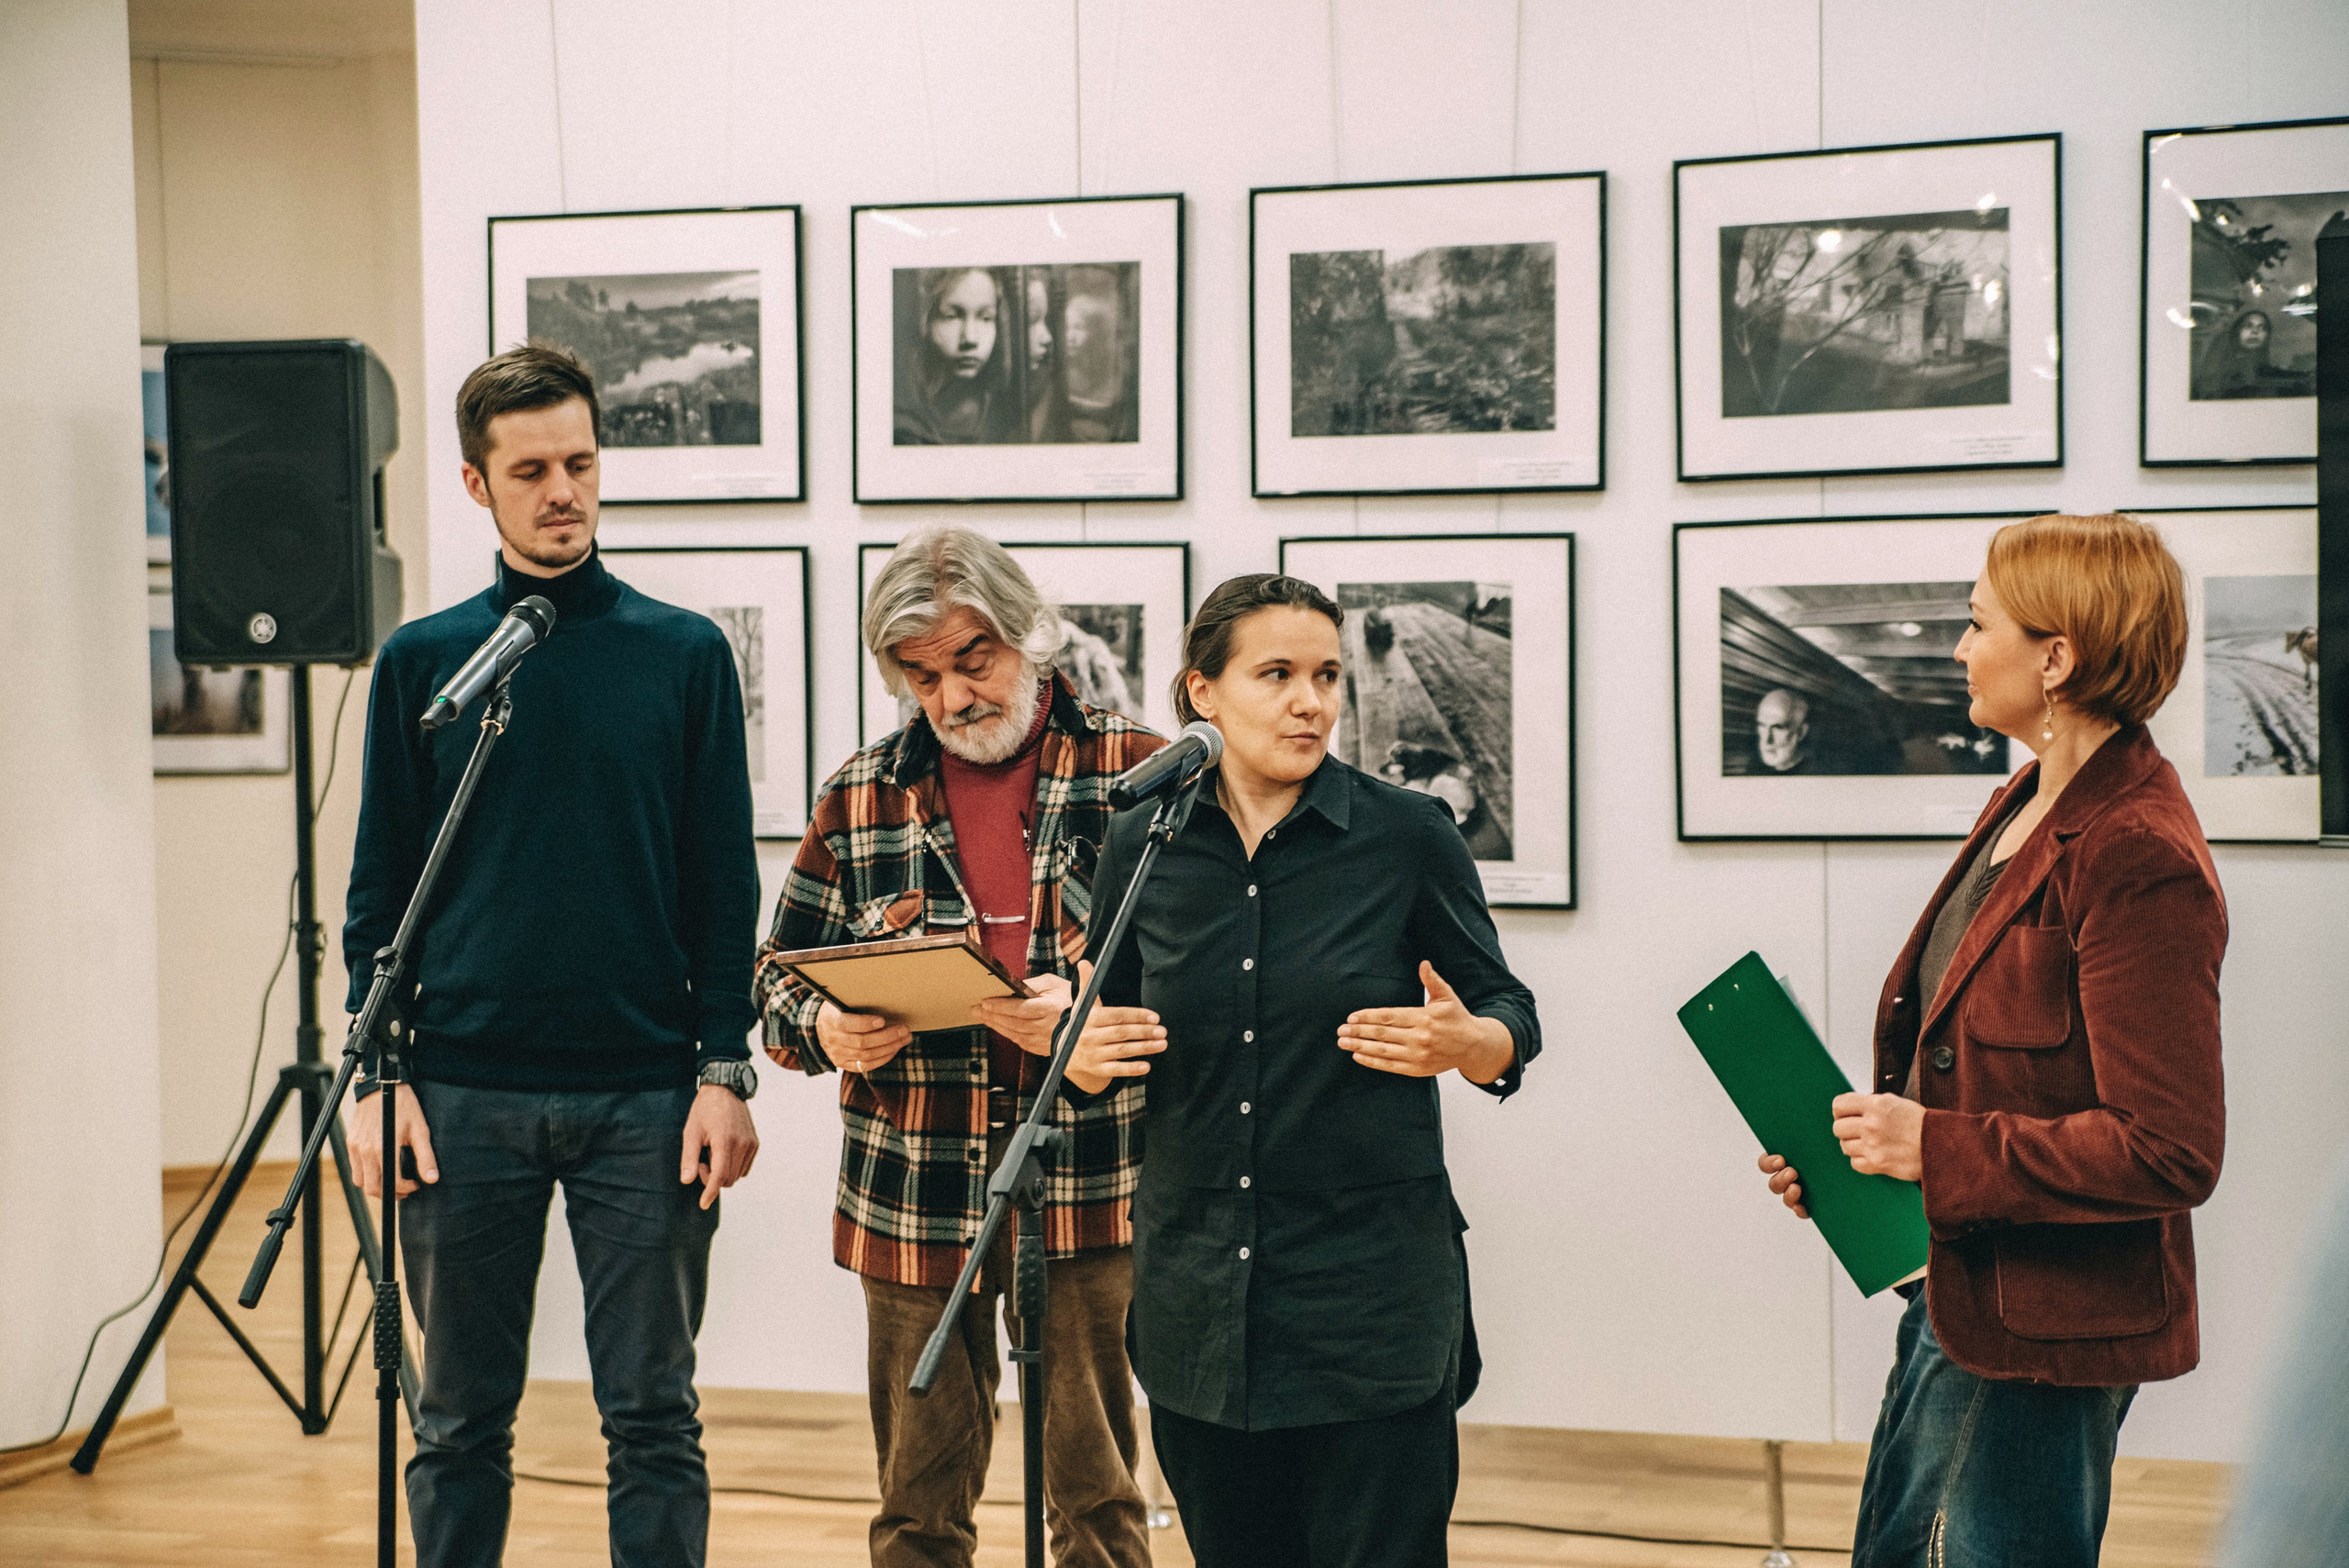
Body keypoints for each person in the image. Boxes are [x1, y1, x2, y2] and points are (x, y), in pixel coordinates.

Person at [343, 343, 762, 1568]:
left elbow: (718, 881)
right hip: (461, 1095)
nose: (563, 490)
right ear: (478, 485)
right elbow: (381, 894)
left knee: (652, 1415)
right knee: (461, 1418)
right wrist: (378, 1079)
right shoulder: (428, 663)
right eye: (530, 470)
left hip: (644, 1092)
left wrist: (723, 1068)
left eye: (580, 461)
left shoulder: (683, 654)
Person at [1758, 513, 2226, 1567]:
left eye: (1977, 625)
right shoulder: (2027, 799)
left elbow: (2170, 1146)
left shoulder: (2137, 851)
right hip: (1959, 1290)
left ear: (2055, 657)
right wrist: (1859, 1159)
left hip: (2045, 1335)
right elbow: (1973, 1068)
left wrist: (1932, 1147)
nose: (1960, 649)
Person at [1062, 573, 1542, 1568]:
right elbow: (1098, 1029)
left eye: (1324, 674)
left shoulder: (1406, 834)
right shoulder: (1139, 842)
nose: (1311, 700)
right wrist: (1083, 1056)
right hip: (1199, 1302)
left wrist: (1467, 1044)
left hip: (1366, 1302)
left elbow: (1509, 1011)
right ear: (1203, 692)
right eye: (1275, 673)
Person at [754, 525, 1163, 1568]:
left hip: (1091, 1180)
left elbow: (1217, 981)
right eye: (920, 675)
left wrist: (1085, 1013)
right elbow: (773, 979)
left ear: (1030, 634)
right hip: (912, 1182)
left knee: (1101, 1506)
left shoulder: (1140, 771)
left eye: (972, 659)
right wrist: (827, 1026)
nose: (950, 697)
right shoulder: (861, 790)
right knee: (915, 1510)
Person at [894, 266, 1015, 445]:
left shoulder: (1005, 412)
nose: (970, 338)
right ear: (926, 320)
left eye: (986, 318)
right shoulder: (902, 420)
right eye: (952, 316)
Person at [1753, 687, 1815, 773]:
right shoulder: (1754, 769)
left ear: (1801, 732)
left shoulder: (1817, 773)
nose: (1768, 740)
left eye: (1778, 727)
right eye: (1762, 725)